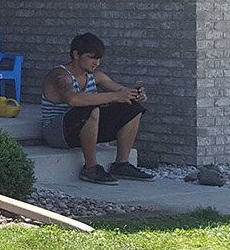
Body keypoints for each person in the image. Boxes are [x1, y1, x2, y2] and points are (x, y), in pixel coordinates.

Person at [39, 33, 154, 185]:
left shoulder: (95, 75)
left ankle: (121, 164)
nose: (97, 63)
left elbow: (121, 91)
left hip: (84, 130)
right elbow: (73, 99)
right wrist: (114, 96)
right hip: (57, 133)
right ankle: (91, 167)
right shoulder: (60, 75)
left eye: (99, 59)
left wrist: (136, 95)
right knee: (90, 107)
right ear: (76, 54)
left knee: (132, 107)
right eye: (92, 58)